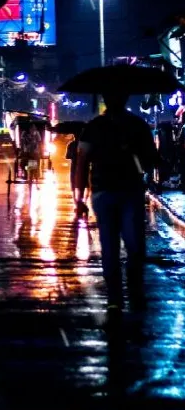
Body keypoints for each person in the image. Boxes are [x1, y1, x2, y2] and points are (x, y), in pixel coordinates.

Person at [74, 90, 157, 314]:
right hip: (121, 192)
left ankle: (118, 298)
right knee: (131, 246)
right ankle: (128, 295)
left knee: (115, 246)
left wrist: (79, 199)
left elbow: (81, 163)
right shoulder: (135, 125)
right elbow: (152, 159)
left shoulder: (96, 126)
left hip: (111, 192)